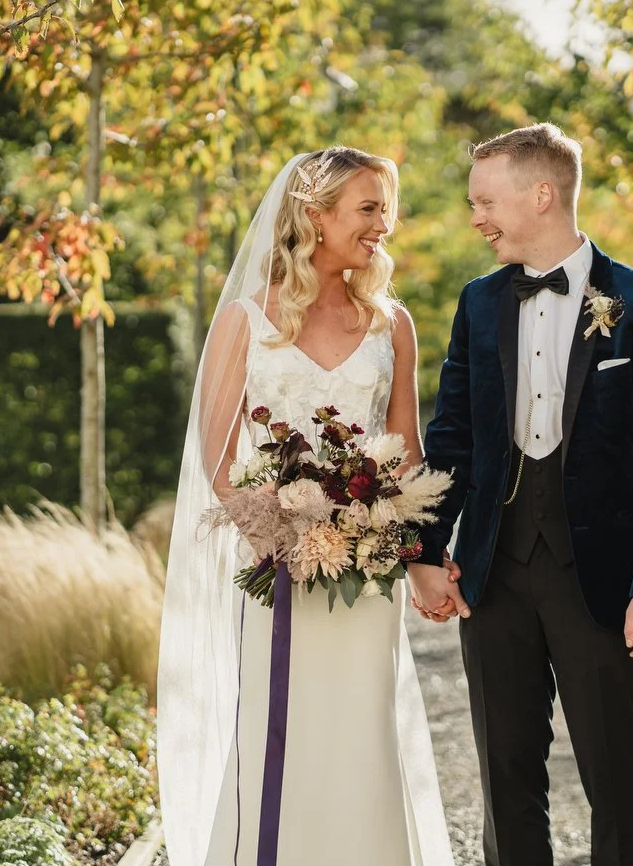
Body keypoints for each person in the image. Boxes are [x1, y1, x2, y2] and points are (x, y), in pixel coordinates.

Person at [408, 123, 633, 866]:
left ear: (542, 194)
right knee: (505, 777)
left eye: (485, 201)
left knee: (618, 778)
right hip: (493, 573)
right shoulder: (476, 304)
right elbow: (451, 439)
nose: (474, 217)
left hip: (600, 579)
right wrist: (425, 552)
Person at [157, 147, 455, 866]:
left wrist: (411, 559)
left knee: (364, 732)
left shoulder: (393, 325)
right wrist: (278, 534)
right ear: (313, 216)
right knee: (280, 731)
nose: (384, 223)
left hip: (368, 577)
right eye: (368, 208)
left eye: (387, 207)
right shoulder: (245, 322)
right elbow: (219, 458)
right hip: (279, 575)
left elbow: (406, 453)